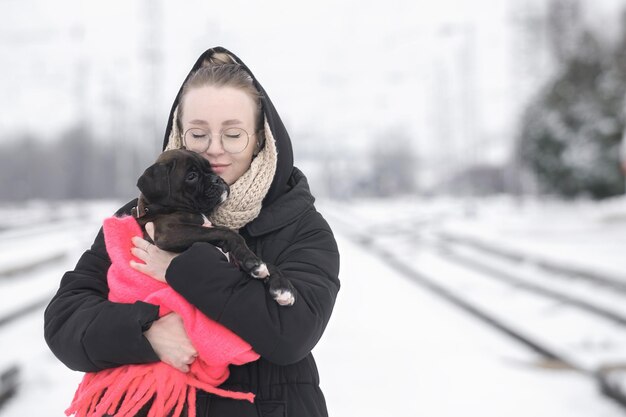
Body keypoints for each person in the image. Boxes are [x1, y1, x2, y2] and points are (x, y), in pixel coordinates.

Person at [44, 46, 341, 417]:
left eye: (233, 135)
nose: (214, 150)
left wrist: (179, 268)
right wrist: (146, 333)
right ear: (180, 135)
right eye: (198, 134)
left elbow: (291, 333)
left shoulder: (300, 227)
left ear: (261, 140)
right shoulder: (137, 217)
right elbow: (64, 322)